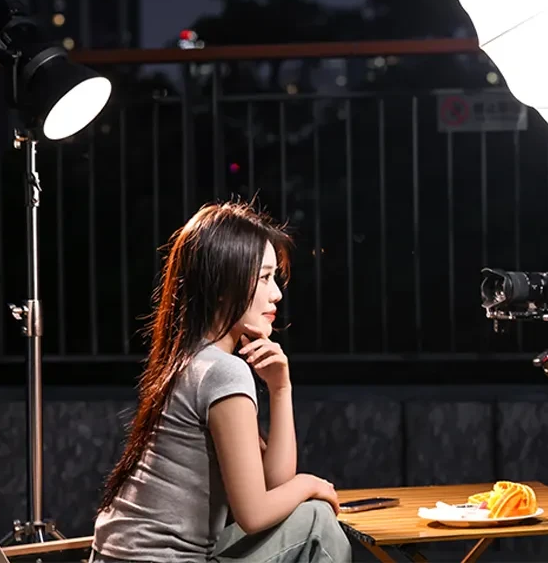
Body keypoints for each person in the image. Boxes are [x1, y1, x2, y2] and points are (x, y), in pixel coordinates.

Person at [91, 200, 352, 563]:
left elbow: (273, 486)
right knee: (317, 522)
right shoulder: (222, 371)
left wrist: (281, 389)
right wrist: (311, 484)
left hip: (116, 557)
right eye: (264, 278)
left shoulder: (191, 359)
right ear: (222, 287)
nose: (276, 293)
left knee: (307, 513)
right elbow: (255, 513)